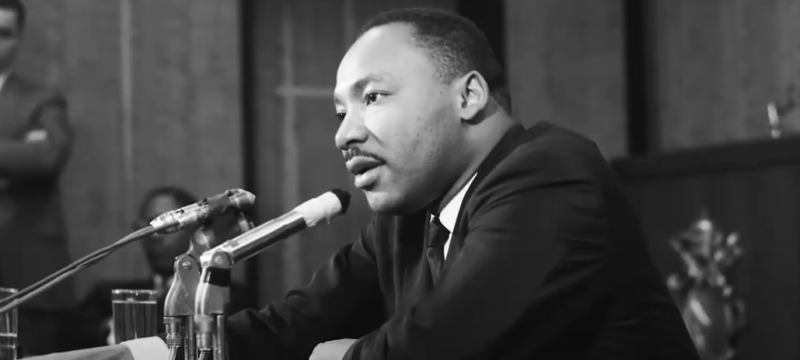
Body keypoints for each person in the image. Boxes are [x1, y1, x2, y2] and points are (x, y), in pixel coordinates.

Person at [222, 7, 701, 360]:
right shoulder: (403, 219)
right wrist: (161, 349)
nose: (345, 133)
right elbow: (291, 325)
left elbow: (440, 346)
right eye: (341, 112)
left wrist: (337, 356)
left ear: (469, 95)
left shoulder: (551, 175)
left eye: (374, 96)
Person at [74, 186, 251, 347]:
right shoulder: (106, 298)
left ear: (195, 227)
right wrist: (105, 329)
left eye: (167, 227)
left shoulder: (225, 296)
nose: (155, 236)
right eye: (146, 226)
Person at [0, 0, 76, 356]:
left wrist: (30, 153)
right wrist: (17, 151)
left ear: (19, 39)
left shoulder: (42, 100)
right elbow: (28, 156)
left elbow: (47, 156)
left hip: (25, 279)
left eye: (4, 34)